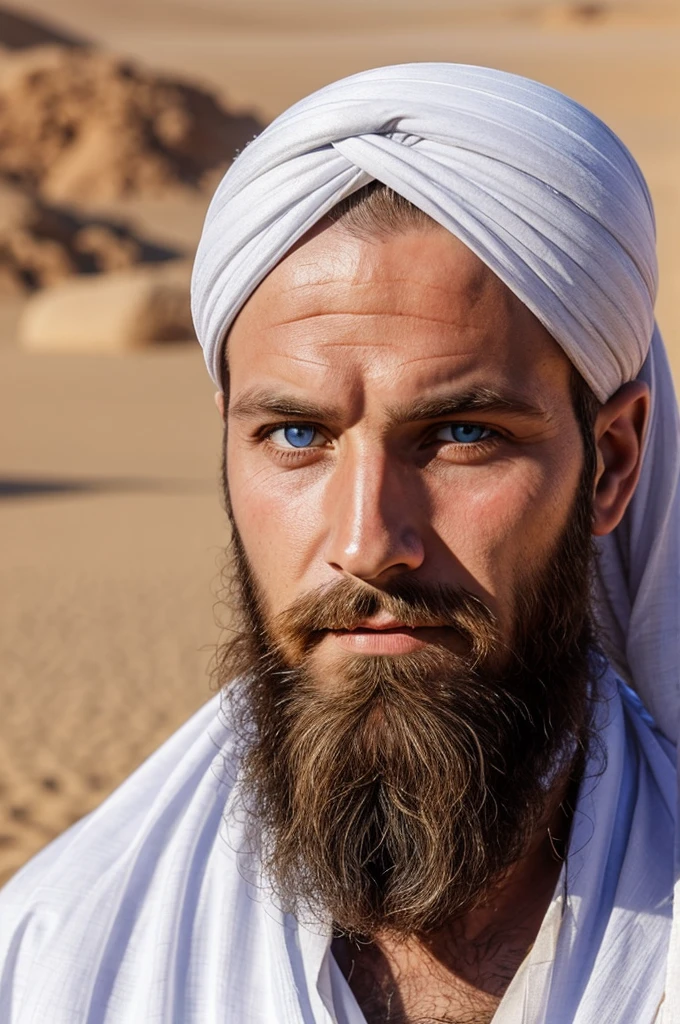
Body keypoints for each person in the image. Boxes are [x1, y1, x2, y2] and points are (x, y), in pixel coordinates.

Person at [0, 63, 677, 1024]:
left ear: (612, 462)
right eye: (297, 436)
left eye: (462, 434)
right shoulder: (57, 962)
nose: (367, 543)